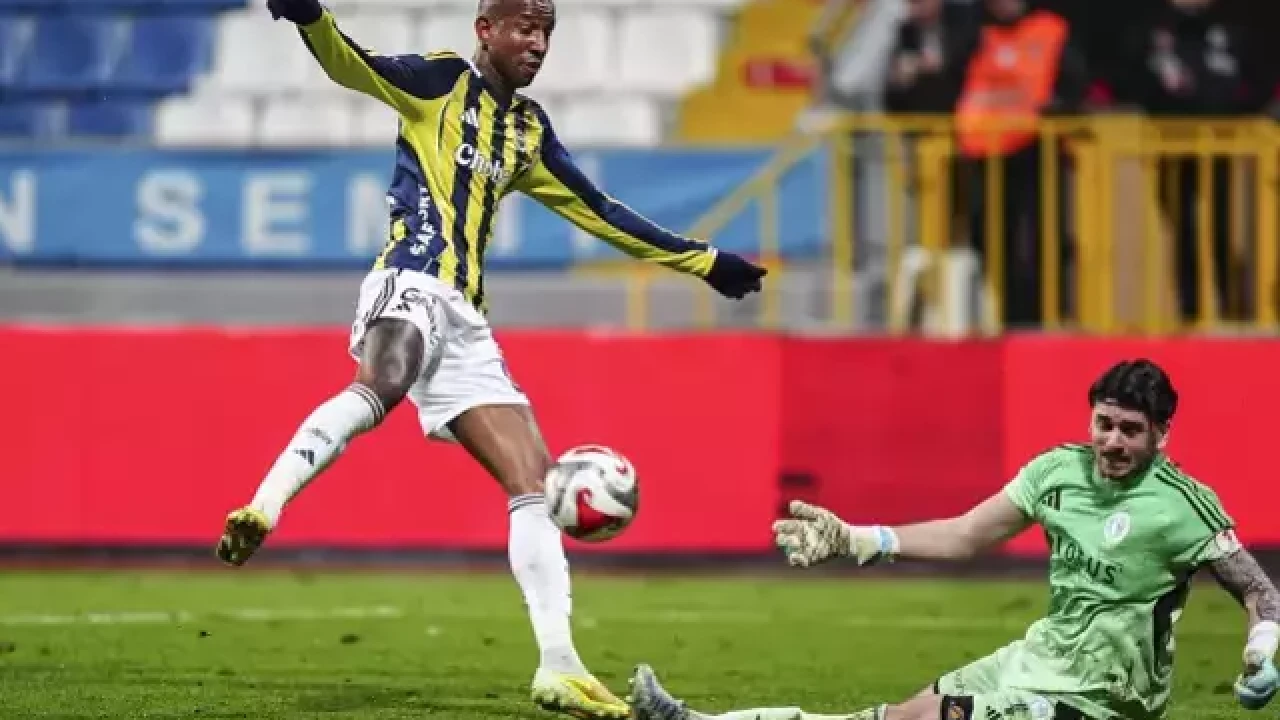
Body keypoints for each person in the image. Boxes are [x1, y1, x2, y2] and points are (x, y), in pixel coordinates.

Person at [213, 1, 767, 719]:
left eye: (546, 32)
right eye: (524, 29)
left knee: (535, 481)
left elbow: (600, 210)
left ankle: (560, 667)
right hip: (410, 280)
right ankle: (264, 505)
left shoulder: (528, 130)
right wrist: (311, 18)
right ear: (487, 30)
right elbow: (356, 66)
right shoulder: (439, 83)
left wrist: (704, 261)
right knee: (382, 384)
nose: (537, 44)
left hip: (467, 322)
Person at [629, 359, 1280, 720]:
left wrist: (1262, 650)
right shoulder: (1058, 471)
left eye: (1130, 431)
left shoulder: (1182, 506)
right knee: (896, 716)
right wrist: (857, 539)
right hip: (1039, 660)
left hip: (1103, 701)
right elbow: (968, 534)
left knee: (934, 719)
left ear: (1162, 435)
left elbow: (1258, 590)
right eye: (1103, 423)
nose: (1111, 441)